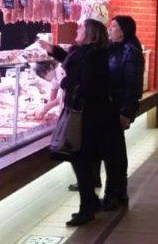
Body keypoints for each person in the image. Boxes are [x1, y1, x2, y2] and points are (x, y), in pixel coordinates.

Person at [43, 19, 114, 227]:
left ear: (90, 33)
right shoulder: (91, 53)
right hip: (89, 113)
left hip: (85, 115)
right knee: (82, 160)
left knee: (80, 159)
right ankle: (90, 202)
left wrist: (65, 82)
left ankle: (87, 209)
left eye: (82, 27)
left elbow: (86, 83)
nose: (77, 29)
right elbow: (74, 63)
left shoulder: (91, 56)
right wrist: (53, 50)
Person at [93, 15, 144, 211]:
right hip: (110, 108)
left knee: (114, 154)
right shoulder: (115, 48)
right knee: (114, 153)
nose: (109, 29)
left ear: (123, 31)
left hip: (117, 109)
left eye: (113, 26)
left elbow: (133, 86)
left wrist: (127, 112)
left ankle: (114, 195)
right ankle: (117, 193)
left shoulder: (131, 52)